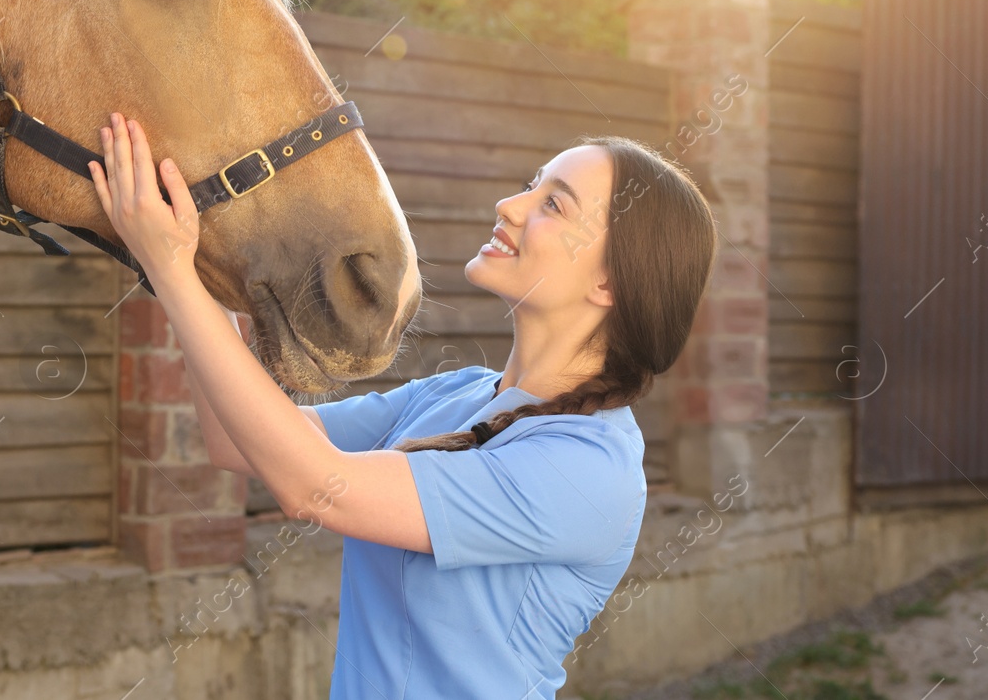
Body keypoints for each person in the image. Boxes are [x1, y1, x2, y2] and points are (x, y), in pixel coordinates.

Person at [88, 113, 717, 699]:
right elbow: (237, 441)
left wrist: (169, 268)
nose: (511, 205)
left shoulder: (587, 469)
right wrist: (196, 266)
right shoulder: (458, 394)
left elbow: (315, 485)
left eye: (552, 203)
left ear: (609, 281)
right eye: (531, 185)